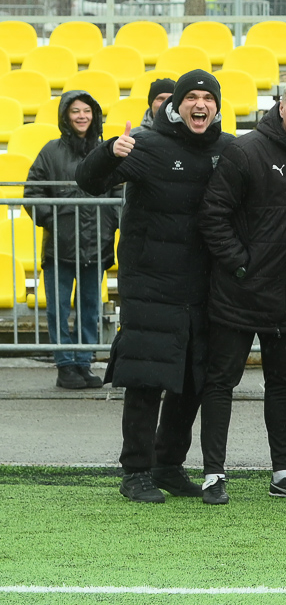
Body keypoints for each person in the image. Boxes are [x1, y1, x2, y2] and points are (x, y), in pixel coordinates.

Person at [78, 71, 232, 503]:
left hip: (204, 287)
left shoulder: (228, 149)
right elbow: (88, 181)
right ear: (176, 106)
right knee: (146, 380)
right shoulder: (145, 144)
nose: (200, 104)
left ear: (217, 106)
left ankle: (168, 464)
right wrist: (108, 151)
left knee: (192, 381)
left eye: (208, 98)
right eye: (191, 97)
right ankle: (136, 472)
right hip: (150, 285)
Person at [194, 75, 286, 504]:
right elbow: (212, 214)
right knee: (221, 381)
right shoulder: (245, 150)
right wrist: (241, 264)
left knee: (282, 383)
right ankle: (213, 474)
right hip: (238, 291)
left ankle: (283, 473)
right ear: (281, 106)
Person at [27, 89, 116, 389]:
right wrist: (54, 221)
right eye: (75, 111)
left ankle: (83, 363)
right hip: (60, 246)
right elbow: (32, 191)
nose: (82, 116)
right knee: (58, 309)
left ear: (95, 115)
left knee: (90, 307)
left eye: (87, 111)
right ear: (66, 115)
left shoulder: (105, 151)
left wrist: (110, 223)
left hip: (96, 244)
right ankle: (65, 365)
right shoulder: (50, 151)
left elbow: (119, 191)